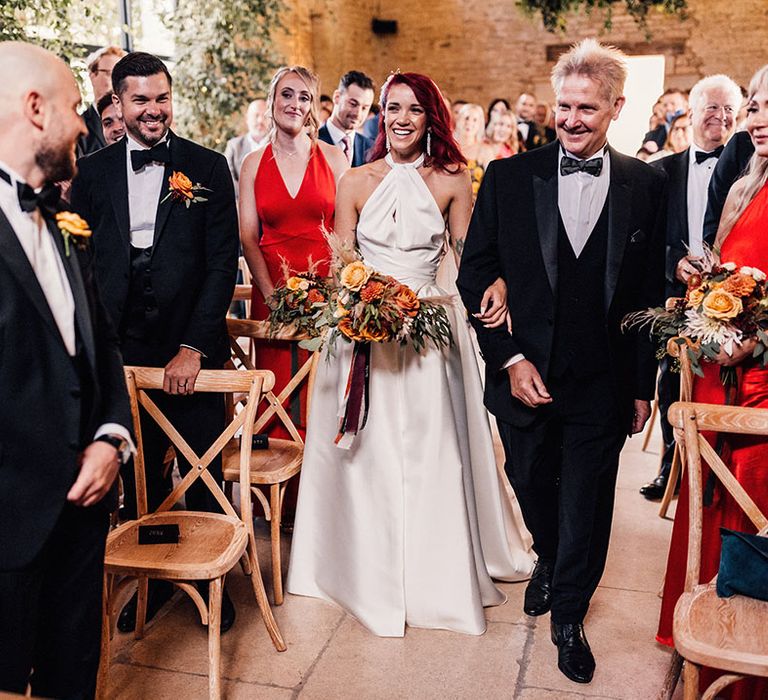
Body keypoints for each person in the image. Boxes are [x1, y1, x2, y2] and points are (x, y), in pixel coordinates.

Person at [287, 71, 534, 636]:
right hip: (363, 334)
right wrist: (356, 306)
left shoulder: (452, 179)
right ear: (381, 114)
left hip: (428, 333)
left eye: (415, 110)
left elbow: (472, 259)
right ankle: (357, 567)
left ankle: (433, 572)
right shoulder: (353, 181)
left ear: (431, 119)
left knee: (428, 452)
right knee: (365, 454)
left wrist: (500, 289)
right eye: (392, 107)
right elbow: (341, 265)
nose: (402, 119)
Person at [458, 39, 666, 684]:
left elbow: (646, 297)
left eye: (588, 109)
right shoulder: (508, 178)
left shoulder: (646, 185)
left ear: (616, 108)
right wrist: (512, 357)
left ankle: (570, 613)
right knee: (531, 482)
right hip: (526, 372)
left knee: (588, 499)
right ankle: (547, 556)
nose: (572, 120)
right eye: (564, 107)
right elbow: (476, 276)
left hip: (602, 379)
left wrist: (641, 384)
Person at [70, 51, 240, 633]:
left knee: (202, 464)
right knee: (139, 469)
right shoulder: (90, 173)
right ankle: (155, 578)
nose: (153, 110)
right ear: (116, 103)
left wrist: (194, 345)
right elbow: (80, 263)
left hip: (188, 341)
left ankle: (211, 580)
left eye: (162, 98)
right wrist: (98, 351)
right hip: (120, 349)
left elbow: (222, 265)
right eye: (140, 100)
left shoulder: (208, 167)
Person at [0, 42, 132, 699]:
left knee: (73, 677)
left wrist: (111, 437)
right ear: (34, 109)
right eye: (76, 108)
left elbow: (100, 345)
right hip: (8, 526)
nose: (85, 124)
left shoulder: (60, 221)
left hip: (82, 514)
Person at [656, 64, 768, 700]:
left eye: (765, 106)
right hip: (721, 373)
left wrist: (751, 337)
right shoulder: (744, 184)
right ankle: (705, 629)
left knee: (753, 502)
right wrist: (709, 290)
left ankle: (747, 657)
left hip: (758, 382)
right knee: (712, 503)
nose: (755, 118)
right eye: (753, 105)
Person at [239, 66, 347, 521]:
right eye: (287, 95)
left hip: (327, 293)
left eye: (305, 97)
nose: (295, 105)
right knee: (277, 395)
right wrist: (272, 296)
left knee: (323, 391)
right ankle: (280, 506)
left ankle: (321, 505)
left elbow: (347, 234)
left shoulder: (335, 159)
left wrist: (337, 293)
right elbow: (248, 237)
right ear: (271, 100)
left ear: (313, 107)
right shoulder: (251, 164)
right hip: (273, 295)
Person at [640, 74, 741, 501]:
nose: (720, 116)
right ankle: (672, 464)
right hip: (675, 293)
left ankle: (722, 466)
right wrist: (673, 262)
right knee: (672, 379)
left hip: (734, 291)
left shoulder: (749, 168)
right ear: (692, 113)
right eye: (712, 108)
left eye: (729, 110)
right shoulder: (661, 171)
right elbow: (643, 238)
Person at [702, 129, 754, 240]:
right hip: (734, 250)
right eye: (752, 110)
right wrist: (714, 251)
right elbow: (715, 207)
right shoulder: (743, 143)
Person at [318, 70, 375, 167]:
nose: (358, 113)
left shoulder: (371, 148)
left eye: (364, 108)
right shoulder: (310, 142)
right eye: (353, 104)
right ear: (337, 97)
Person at [79, 45, 126, 155]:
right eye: (110, 74)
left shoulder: (137, 121)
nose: (117, 81)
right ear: (92, 75)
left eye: (122, 76)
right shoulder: (77, 127)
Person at [224, 98, 268, 194]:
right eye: (256, 115)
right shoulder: (234, 146)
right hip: (239, 204)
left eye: (265, 116)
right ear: (247, 118)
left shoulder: (278, 146)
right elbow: (227, 178)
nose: (260, 120)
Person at [641, 87, 688, 152]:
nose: (668, 108)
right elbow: (644, 154)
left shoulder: (697, 128)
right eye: (665, 105)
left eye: (673, 103)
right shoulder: (657, 132)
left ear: (686, 105)